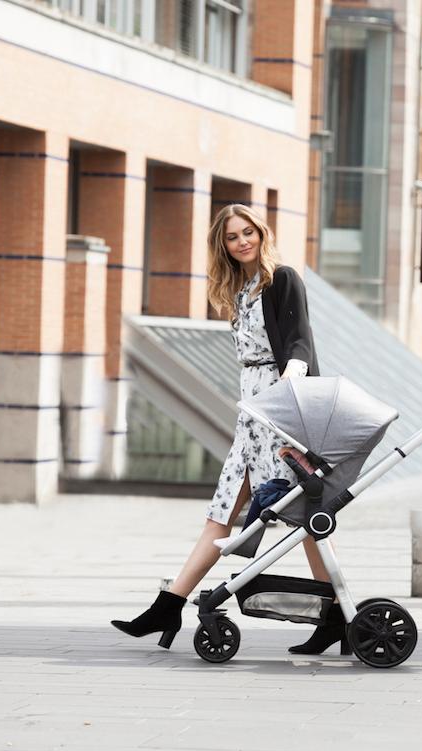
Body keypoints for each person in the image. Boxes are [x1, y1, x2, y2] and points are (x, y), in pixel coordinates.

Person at [111, 204, 344, 655]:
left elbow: (300, 338)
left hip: (281, 408)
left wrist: (292, 377)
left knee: (306, 516)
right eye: (232, 237)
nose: (242, 242)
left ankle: (336, 613)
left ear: (261, 232)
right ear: (223, 246)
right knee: (222, 512)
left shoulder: (282, 279)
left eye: (248, 232)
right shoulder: (238, 292)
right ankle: (168, 605)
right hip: (251, 412)